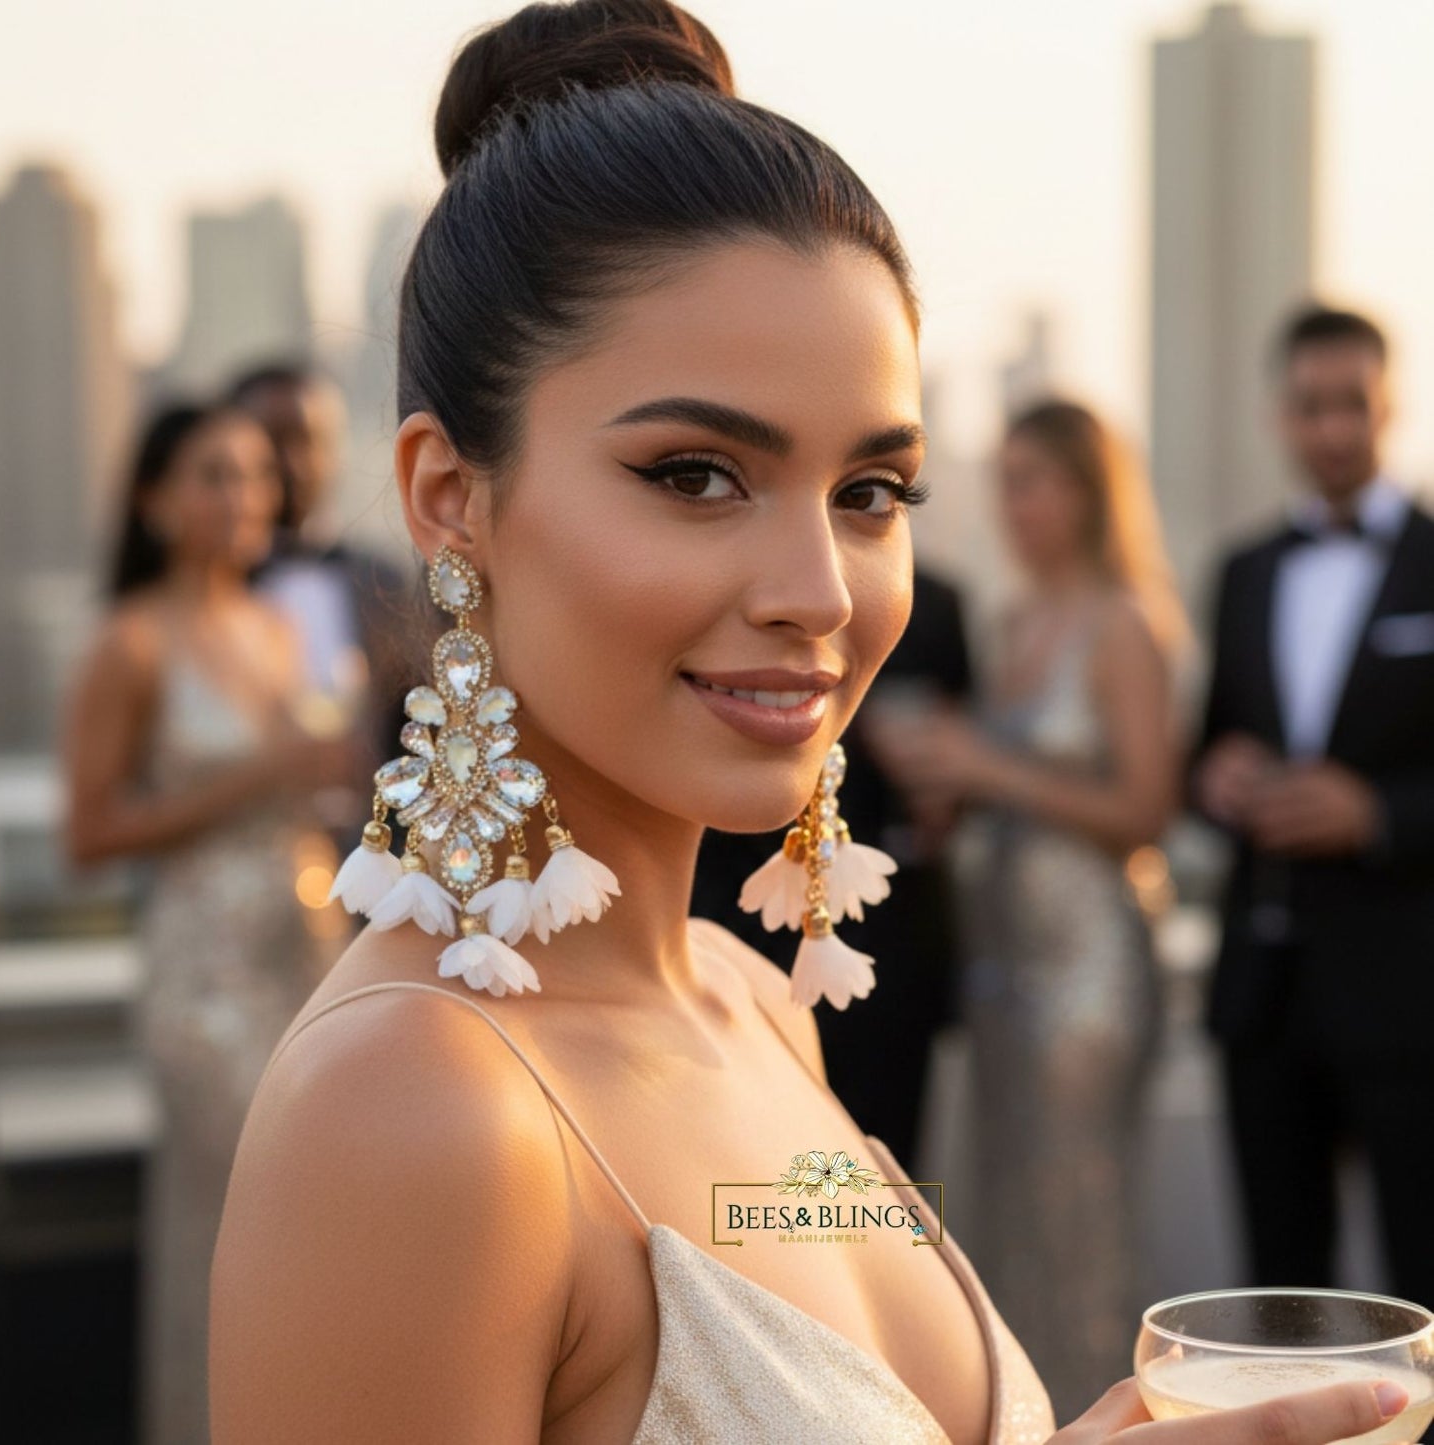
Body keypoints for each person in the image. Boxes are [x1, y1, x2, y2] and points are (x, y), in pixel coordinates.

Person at [209, 6, 1415, 1442]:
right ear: (451, 498)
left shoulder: (752, 1001)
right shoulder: (412, 1112)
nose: (819, 593)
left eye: (872, 492)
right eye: (698, 474)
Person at [864, 399, 1184, 1421]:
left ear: (1089, 493)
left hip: (1085, 968)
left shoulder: (1121, 622)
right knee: (1003, 1217)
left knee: (1075, 1219)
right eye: (1002, 478)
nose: (1013, 503)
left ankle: (1108, 1415)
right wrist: (945, 789)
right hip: (998, 965)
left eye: (1033, 478)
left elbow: (1142, 808)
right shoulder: (1011, 622)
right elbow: (998, 789)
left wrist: (980, 763)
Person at [59, 400, 357, 1445]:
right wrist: (253, 776)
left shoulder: (290, 623)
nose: (244, 497)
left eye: (257, 475)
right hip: (204, 977)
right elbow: (87, 832)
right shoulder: (131, 641)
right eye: (215, 475)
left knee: (330, 1214)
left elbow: (322, 775)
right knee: (244, 1219)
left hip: (314, 946)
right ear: (155, 497)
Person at [1192, 304, 1434, 1318]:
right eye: (1308, 406)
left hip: (1410, 995)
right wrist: (1215, 779)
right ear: (1277, 415)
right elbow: (1199, 749)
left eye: (1351, 405)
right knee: (1276, 1292)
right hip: (1262, 991)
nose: (1330, 428)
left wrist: (1372, 813)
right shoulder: (1241, 572)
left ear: (1389, 407)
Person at [691, 566, 975, 1167]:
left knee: (873, 1183)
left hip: (883, 944)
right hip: (722, 911)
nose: (822, 605)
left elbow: (959, 763)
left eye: (872, 496)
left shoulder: (935, 601)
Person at [227, 360, 412, 856]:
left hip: (374, 872)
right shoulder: (200, 595)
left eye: (308, 440)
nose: (293, 463)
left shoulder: (388, 583)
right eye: (272, 443)